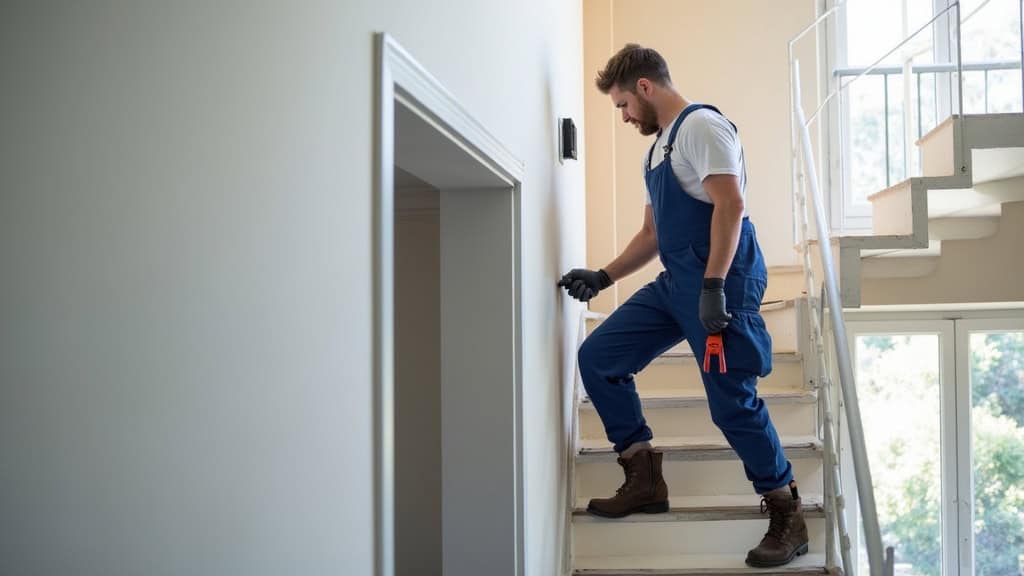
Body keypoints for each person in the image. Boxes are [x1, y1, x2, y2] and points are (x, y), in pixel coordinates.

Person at [558, 44, 808, 568]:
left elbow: (731, 204)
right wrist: (603, 276)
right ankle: (643, 477)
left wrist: (715, 285)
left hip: (722, 278)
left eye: (623, 105)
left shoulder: (702, 127)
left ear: (645, 87)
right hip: (678, 281)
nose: (625, 117)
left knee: (730, 401)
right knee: (600, 358)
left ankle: (787, 512)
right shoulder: (657, 150)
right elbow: (652, 231)